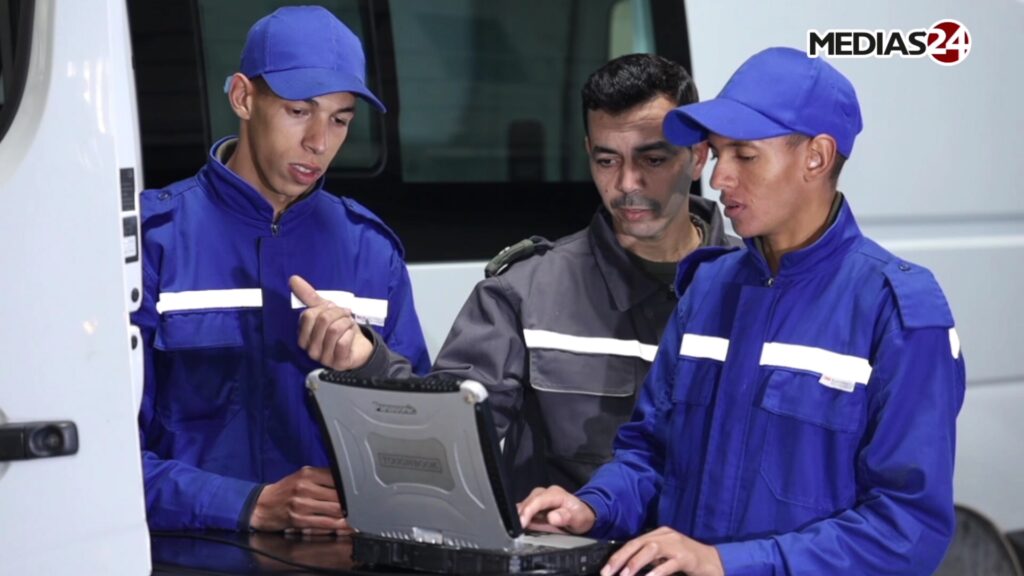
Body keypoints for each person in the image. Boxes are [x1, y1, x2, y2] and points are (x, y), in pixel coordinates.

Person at [517, 47, 966, 576]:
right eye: (719, 153)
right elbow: (650, 454)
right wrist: (593, 506)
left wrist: (730, 563)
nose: (718, 178)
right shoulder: (709, 288)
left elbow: (906, 529)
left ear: (817, 157)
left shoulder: (895, 311)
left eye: (744, 156)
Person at [133, 6, 430, 533]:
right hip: (188, 558)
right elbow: (107, 459)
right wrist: (247, 505)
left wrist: (367, 363)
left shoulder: (372, 249)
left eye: (340, 119)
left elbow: (424, 448)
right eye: (299, 111)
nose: (320, 141)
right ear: (244, 98)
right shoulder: (153, 240)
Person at [431, 54, 738, 502]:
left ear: (697, 158)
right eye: (607, 161)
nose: (627, 183)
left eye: (652, 159)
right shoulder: (522, 293)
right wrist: (368, 363)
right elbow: (438, 438)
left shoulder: (763, 286)